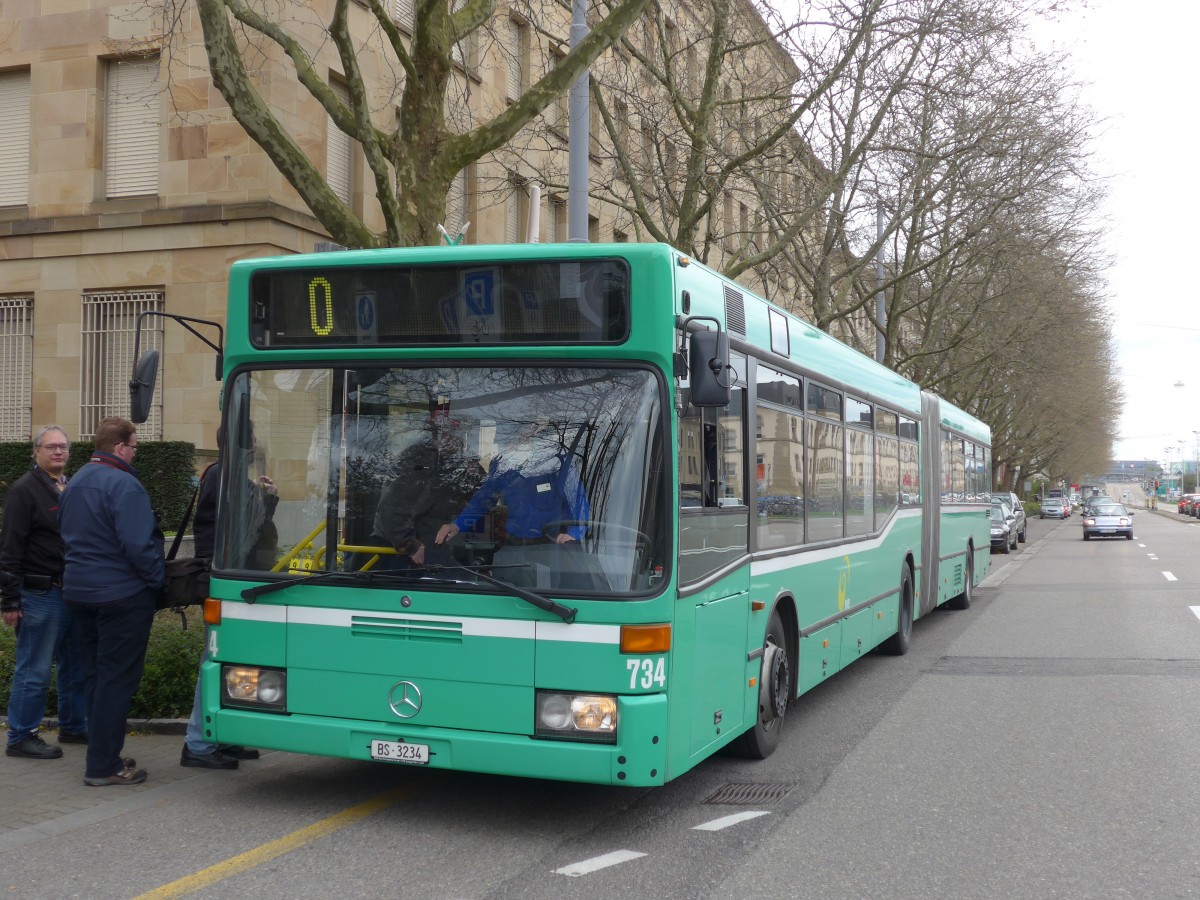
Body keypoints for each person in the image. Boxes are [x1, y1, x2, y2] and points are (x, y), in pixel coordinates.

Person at [58, 417, 164, 787]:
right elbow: (140, 546)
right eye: (134, 447)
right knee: (117, 680)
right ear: (120, 447)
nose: (135, 453)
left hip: (79, 594)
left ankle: (102, 754)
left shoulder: (74, 483)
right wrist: (157, 583)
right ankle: (103, 766)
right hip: (121, 595)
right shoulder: (126, 485)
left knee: (96, 677)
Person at [181, 443, 271, 769]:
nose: (253, 450)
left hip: (237, 580)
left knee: (236, 660)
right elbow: (245, 529)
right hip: (225, 581)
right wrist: (265, 500)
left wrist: (265, 497)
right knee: (216, 659)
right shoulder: (223, 477)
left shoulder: (229, 477)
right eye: (250, 442)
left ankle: (225, 735)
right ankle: (198, 744)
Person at [0, 425, 88, 760]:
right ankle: (21, 736)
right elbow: (9, 548)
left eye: (63, 447)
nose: (58, 452)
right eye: (51, 447)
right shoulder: (25, 491)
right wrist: (9, 599)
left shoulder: (68, 485)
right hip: (39, 594)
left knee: (76, 664)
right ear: (36, 452)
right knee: (34, 669)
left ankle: (74, 725)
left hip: (70, 593)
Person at [436, 420, 590, 548]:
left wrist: (573, 535)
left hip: (551, 544)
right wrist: (457, 525)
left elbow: (577, 502)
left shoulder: (558, 463)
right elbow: (482, 500)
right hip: (514, 544)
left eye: (528, 433)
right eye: (513, 436)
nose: (519, 439)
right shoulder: (503, 466)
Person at [372, 413, 482, 568]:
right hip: (401, 548)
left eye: (455, 435)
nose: (450, 440)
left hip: (440, 543)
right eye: (443, 434)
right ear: (433, 436)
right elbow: (391, 509)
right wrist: (412, 546)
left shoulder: (461, 463)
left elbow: (480, 497)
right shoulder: (416, 461)